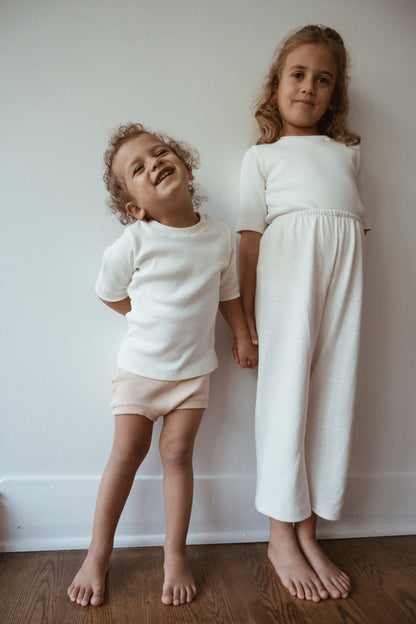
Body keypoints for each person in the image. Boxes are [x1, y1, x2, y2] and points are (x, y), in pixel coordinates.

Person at [67, 123, 258, 608]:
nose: (154, 163)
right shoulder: (136, 240)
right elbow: (108, 292)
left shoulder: (218, 237)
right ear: (135, 207)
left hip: (193, 375)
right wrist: (144, 317)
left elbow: (228, 293)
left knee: (178, 457)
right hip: (139, 373)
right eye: (139, 167)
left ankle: (175, 553)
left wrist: (241, 334)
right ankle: (97, 554)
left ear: (186, 166)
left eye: (161, 153)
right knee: (126, 457)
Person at [237, 25, 369, 603]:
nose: (309, 88)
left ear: (335, 94)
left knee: (333, 395)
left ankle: (310, 529)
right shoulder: (261, 157)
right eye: (298, 74)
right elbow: (247, 243)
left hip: (345, 280)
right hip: (287, 280)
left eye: (323, 80)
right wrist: (243, 323)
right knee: (286, 396)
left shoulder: (349, 154)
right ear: (277, 83)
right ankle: (279, 533)